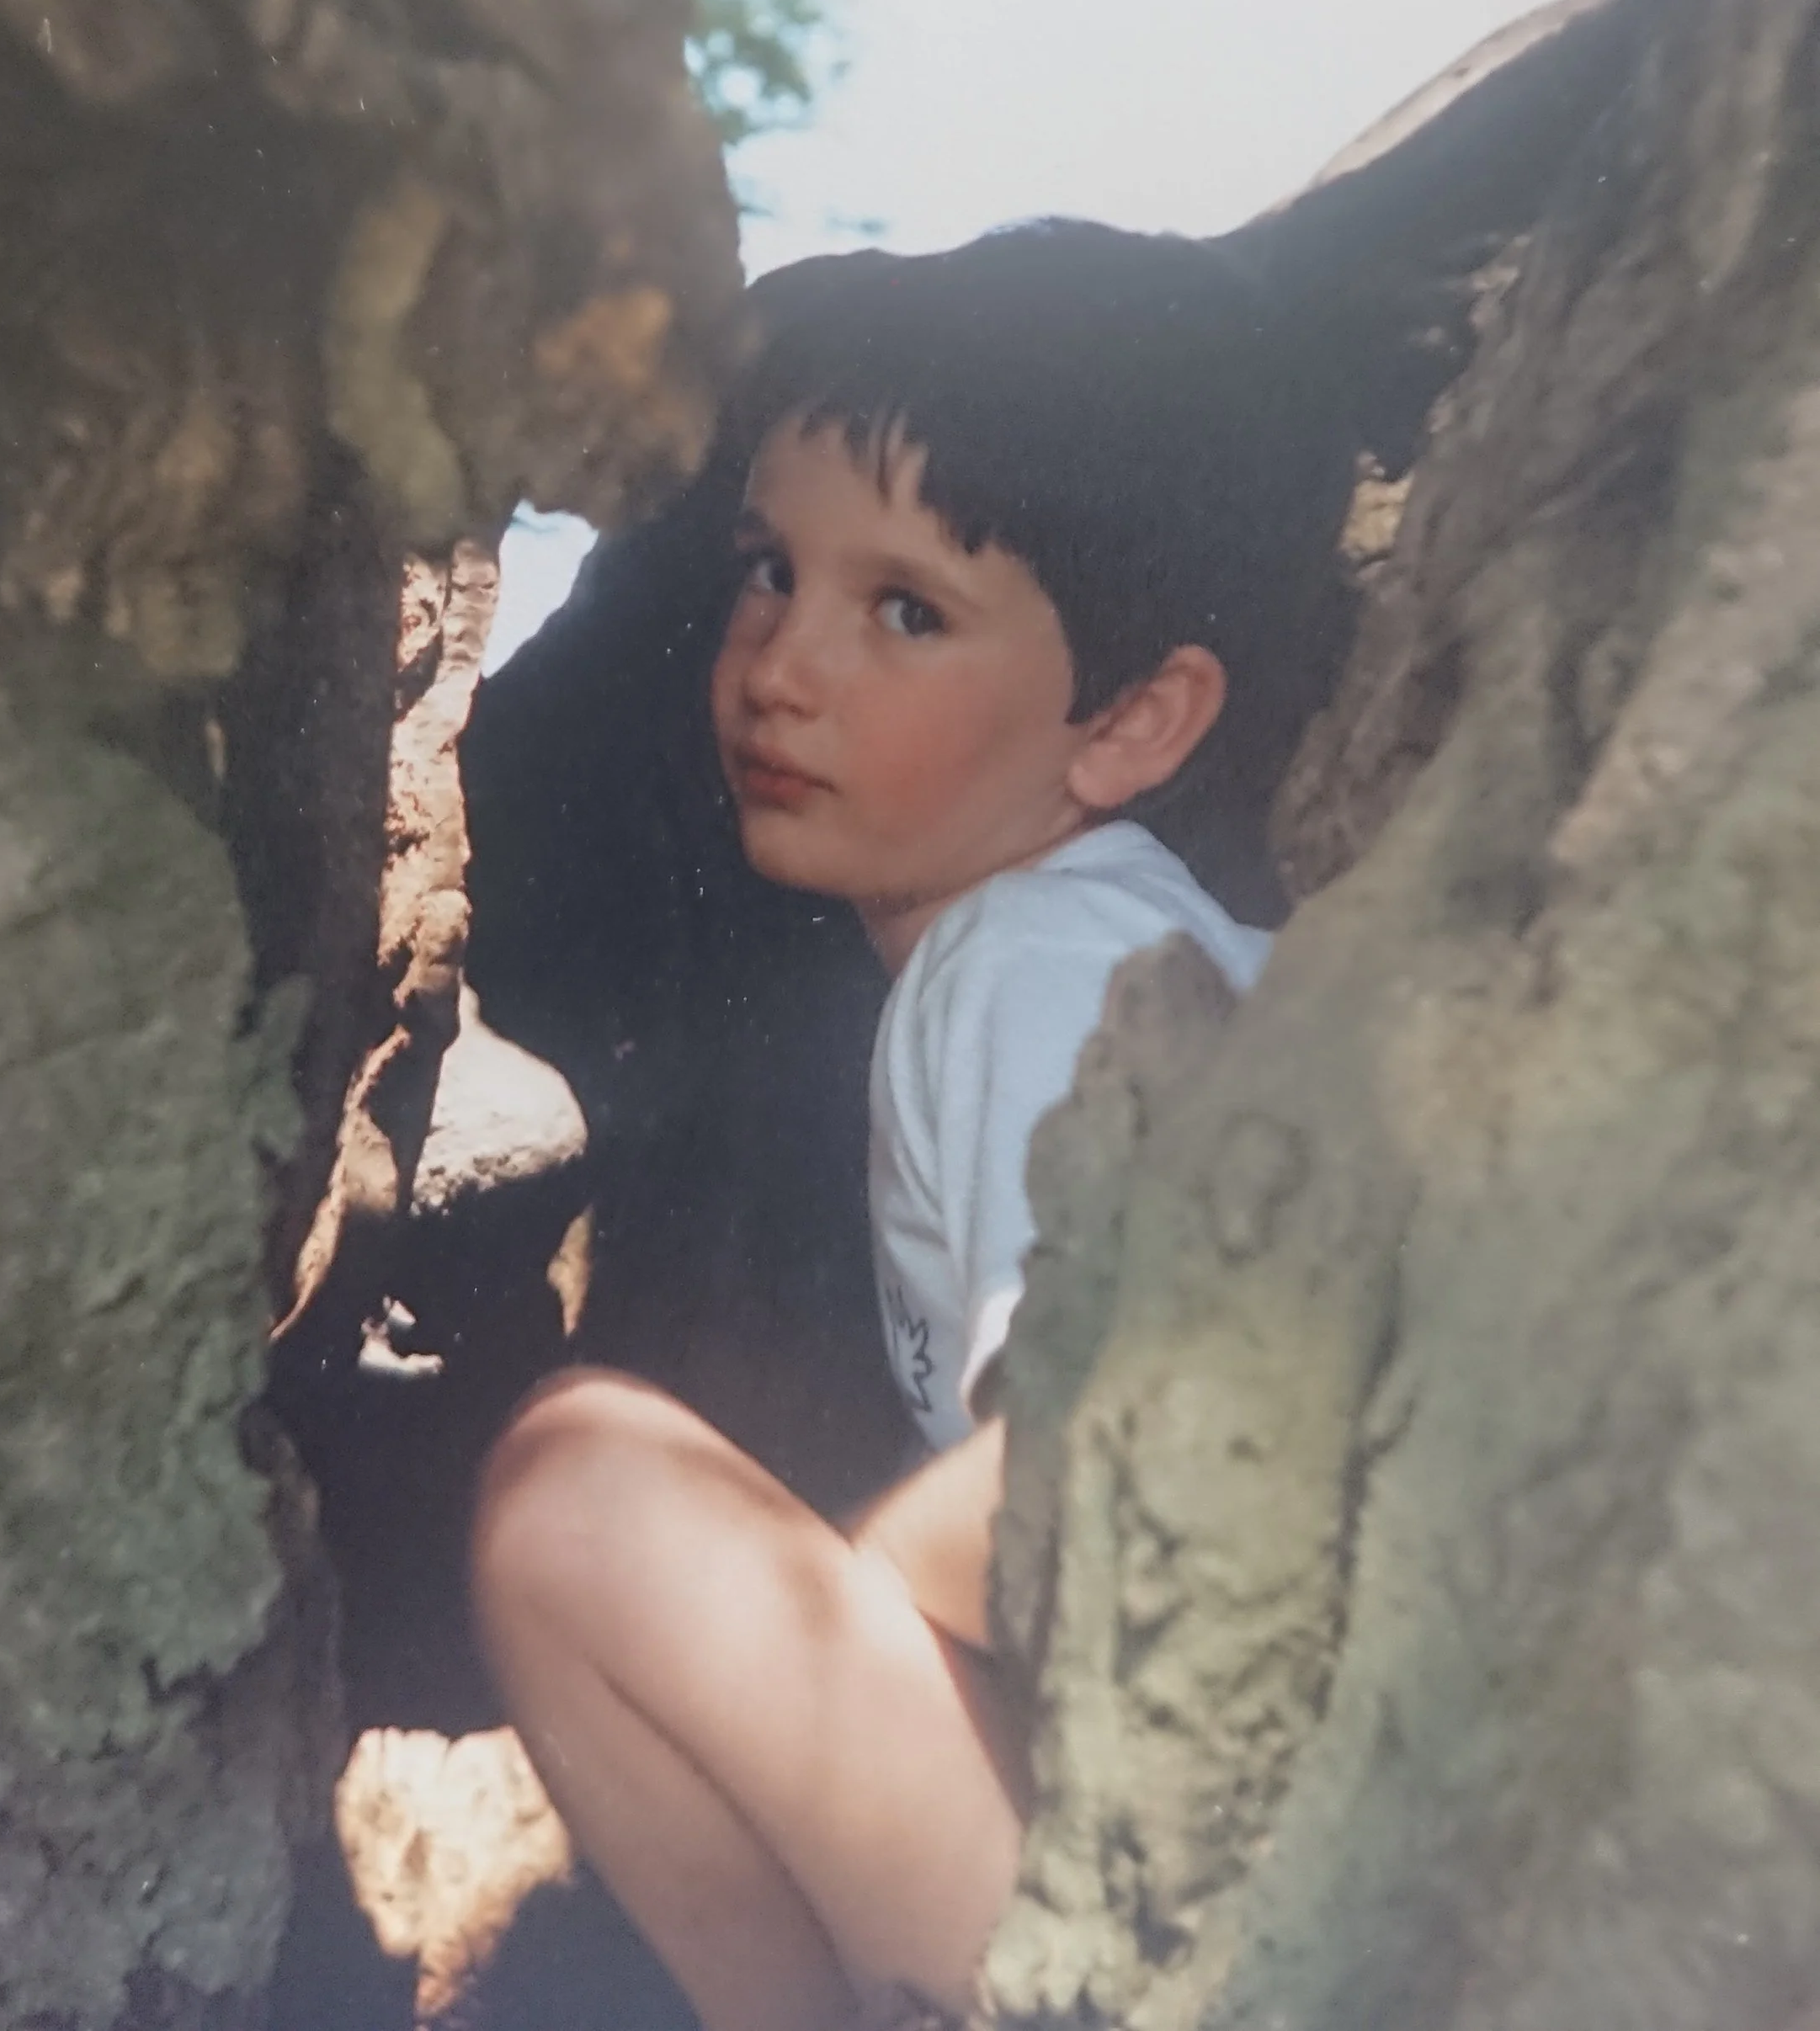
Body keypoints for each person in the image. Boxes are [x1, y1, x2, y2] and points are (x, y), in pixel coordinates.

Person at [469, 221, 1357, 2031]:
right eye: (764, 574)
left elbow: (1119, 1467)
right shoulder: (1110, 937)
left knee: (577, 1500)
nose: (779, 666)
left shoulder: (1028, 967)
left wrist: (838, 1621)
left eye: (903, 610)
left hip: (1227, 1924)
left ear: (1128, 721)